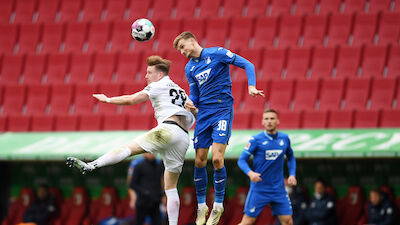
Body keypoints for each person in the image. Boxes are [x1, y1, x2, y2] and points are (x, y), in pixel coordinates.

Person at [66, 55, 196, 225]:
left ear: (159, 74)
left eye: (149, 72)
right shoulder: (181, 91)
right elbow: (194, 113)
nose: (146, 76)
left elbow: (131, 99)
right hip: (183, 136)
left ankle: (91, 165)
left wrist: (108, 99)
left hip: (167, 129)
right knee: (171, 187)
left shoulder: (157, 85)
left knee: (127, 149)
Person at [173, 31, 264, 225]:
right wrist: (190, 103)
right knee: (199, 161)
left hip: (222, 109)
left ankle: (218, 206)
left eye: (182, 47)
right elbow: (195, 95)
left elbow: (247, 64)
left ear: (192, 41)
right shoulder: (189, 68)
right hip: (204, 114)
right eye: (179, 50)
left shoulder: (218, 53)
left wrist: (251, 86)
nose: (182, 52)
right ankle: (201, 207)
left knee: (216, 159)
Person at [237, 109, 297, 225]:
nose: (269, 121)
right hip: (259, 189)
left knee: (288, 221)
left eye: (272, 118)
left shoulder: (284, 138)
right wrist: (251, 173)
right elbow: (241, 160)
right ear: (262, 122)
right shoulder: (255, 140)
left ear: (277, 121)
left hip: (278, 190)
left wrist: (292, 174)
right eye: (266, 119)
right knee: (247, 222)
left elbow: (291, 157)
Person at [129, 153, 164, 225]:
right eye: (149, 152)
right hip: (142, 201)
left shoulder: (159, 165)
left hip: (155, 201)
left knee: (158, 222)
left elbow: (162, 181)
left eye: (153, 152)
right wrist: (144, 192)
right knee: (139, 222)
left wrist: (162, 194)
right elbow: (132, 184)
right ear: (144, 154)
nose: (152, 154)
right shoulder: (139, 166)